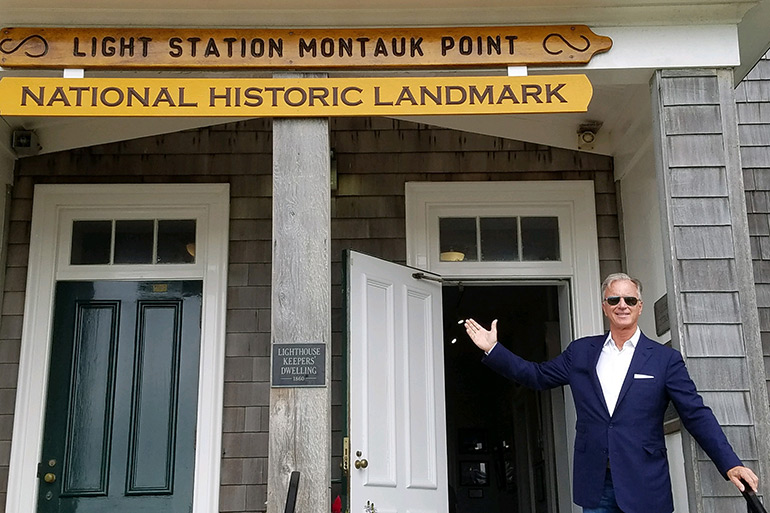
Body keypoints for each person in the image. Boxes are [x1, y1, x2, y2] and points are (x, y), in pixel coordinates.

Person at [464, 272, 758, 513]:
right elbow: (537, 376)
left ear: (640, 306)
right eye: (614, 299)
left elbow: (695, 414)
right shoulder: (581, 352)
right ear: (604, 306)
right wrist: (493, 349)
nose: (622, 305)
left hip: (644, 481)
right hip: (597, 480)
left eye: (630, 299)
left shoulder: (663, 359)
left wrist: (730, 463)